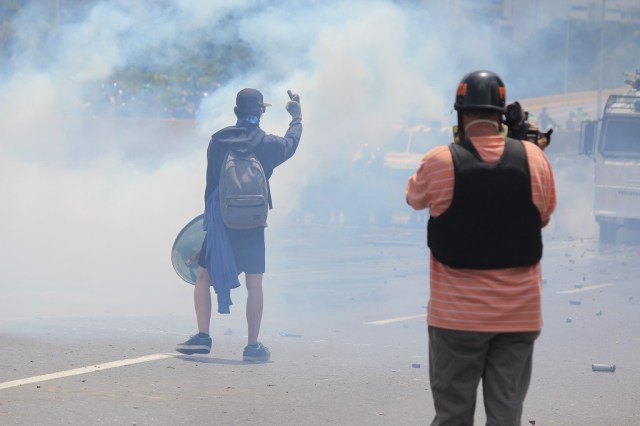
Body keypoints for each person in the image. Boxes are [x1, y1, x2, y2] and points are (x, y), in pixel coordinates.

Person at [406, 70, 556, 425]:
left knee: (453, 416)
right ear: (501, 115)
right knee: (506, 417)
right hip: (518, 317)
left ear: (462, 114)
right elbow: (544, 216)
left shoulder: (440, 160)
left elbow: (414, 198)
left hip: (456, 319)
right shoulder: (535, 159)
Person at [176, 88, 303, 362]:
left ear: (235, 111)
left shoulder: (218, 141)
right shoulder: (268, 144)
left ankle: (203, 336)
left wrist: (211, 225)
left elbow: (211, 186)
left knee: (203, 276)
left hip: (223, 221)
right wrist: (297, 118)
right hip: (253, 225)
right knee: (254, 284)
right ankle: (253, 346)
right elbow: (291, 144)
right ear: (261, 111)